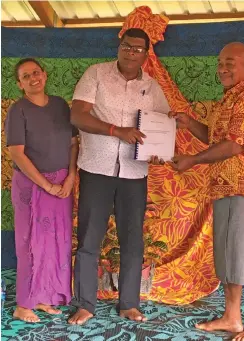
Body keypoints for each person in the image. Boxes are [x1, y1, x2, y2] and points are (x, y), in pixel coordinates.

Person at [169, 42, 244, 341]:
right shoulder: (229, 99)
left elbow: (232, 146)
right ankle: (232, 317)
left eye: (230, 62)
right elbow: (217, 138)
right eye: (220, 63)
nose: (223, 68)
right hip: (224, 186)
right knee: (228, 255)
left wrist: (192, 161)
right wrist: (190, 124)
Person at [68, 28, 170, 325]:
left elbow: (161, 124)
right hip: (96, 168)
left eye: (138, 49)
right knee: (89, 239)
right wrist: (116, 131)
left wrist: (161, 142)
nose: (131, 52)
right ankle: (85, 304)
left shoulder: (152, 88)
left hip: (134, 172)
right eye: (127, 46)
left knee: (132, 240)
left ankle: (129, 304)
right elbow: (78, 115)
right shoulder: (96, 74)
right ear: (119, 46)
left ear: (146, 54)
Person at [5, 58, 79, 323]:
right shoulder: (18, 110)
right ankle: (24, 304)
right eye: (26, 76)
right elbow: (18, 154)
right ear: (20, 84)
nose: (33, 78)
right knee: (29, 243)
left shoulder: (60, 105)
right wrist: (46, 184)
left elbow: (73, 143)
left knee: (57, 242)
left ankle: (47, 296)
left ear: (45, 75)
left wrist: (70, 176)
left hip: (62, 185)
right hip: (32, 185)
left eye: (36, 72)